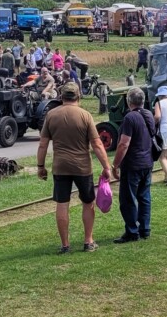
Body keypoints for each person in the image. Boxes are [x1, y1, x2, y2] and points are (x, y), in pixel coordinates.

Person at [35, 82, 112, 254]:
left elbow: (43, 145)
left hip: (60, 166)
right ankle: (88, 241)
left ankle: (65, 245)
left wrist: (40, 167)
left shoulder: (51, 115)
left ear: (61, 96)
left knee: (62, 204)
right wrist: (106, 167)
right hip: (82, 166)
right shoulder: (85, 115)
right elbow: (97, 144)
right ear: (78, 96)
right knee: (88, 202)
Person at [111, 87, 157, 243]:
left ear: (128, 101)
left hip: (133, 165)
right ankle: (145, 229)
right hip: (147, 162)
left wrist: (115, 165)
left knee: (128, 199)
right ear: (143, 100)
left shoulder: (130, 118)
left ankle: (132, 231)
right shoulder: (148, 114)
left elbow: (124, 144)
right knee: (144, 197)